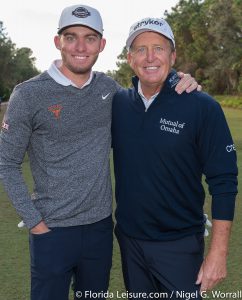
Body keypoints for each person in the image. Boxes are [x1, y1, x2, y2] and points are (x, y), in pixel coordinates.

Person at [0, 4, 200, 300]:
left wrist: (177, 79)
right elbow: (7, 162)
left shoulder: (109, 89)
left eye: (90, 38)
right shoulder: (28, 94)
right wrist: (35, 223)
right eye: (71, 37)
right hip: (52, 232)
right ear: (58, 42)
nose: (80, 46)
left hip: (100, 230)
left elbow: (146, 91)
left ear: (101, 45)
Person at [112, 17, 238, 299]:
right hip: (130, 243)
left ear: (173, 55)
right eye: (141, 49)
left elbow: (225, 182)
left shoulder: (201, 106)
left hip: (179, 246)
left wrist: (218, 253)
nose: (150, 57)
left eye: (158, 47)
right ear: (130, 58)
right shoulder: (118, 103)